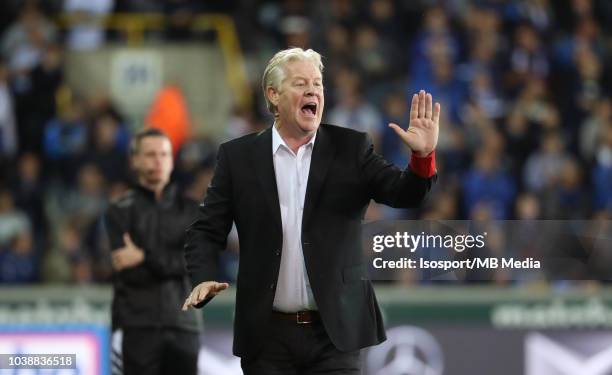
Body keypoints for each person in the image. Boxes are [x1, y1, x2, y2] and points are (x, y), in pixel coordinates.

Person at [182, 47, 440, 374]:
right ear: (273, 95)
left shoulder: (351, 148)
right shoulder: (238, 157)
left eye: (317, 84)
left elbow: (404, 193)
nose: (313, 91)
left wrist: (423, 158)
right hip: (266, 335)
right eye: (301, 83)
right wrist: (203, 275)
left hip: (335, 333)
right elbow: (206, 229)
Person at [105, 128, 201, 375]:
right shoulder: (119, 210)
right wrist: (170, 259)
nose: (158, 161)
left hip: (184, 328)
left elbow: (194, 264)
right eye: (150, 154)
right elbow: (128, 272)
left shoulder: (192, 211)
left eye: (164, 154)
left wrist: (144, 257)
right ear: (134, 160)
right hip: (138, 327)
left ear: (172, 160)